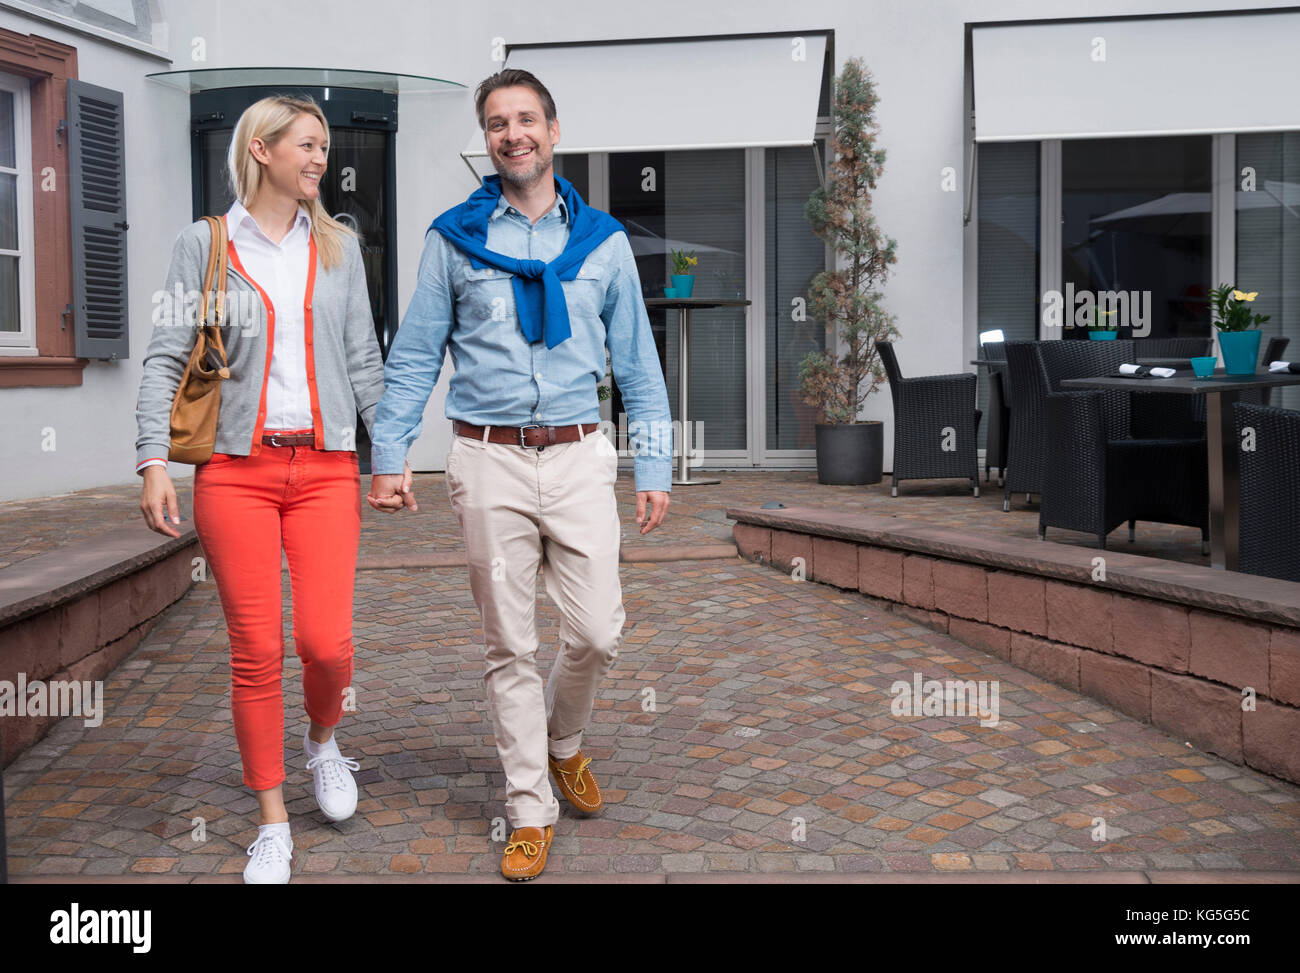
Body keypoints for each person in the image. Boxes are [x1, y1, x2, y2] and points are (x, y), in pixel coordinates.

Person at [368, 68, 673, 881]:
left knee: (598, 631)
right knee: (509, 644)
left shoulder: (603, 241)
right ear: (488, 139)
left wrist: (655, 463)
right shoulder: (453, 239)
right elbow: (413, 360)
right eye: (498, 123)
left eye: (526, 119)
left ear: (554, 129)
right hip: (488, 457)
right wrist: (390, 455)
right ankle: (529, 806)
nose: (514, 134)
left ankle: (563, 739)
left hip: (578, 454)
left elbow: (640, 365)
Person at [134, 95, 404, 884]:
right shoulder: (204, 245)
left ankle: (324, 741)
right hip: (233, 471)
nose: (321, 159)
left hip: (324, 470)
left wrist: (386, 456)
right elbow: (164, 355)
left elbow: (364, 361)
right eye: (307, 146)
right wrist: (154, 458)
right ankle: (272, 819)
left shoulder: (341, 247)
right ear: (261, 149)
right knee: (253, 650)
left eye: (324, 148)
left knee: (327, 643)